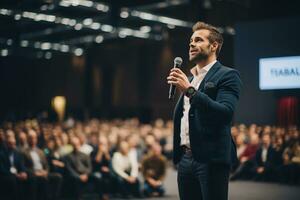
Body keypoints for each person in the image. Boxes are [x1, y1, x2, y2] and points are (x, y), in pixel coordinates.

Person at [167, 21, 242, 200]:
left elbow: (225, 113)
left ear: (214, 45)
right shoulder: (191, 79)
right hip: (185, 159)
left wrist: (189, 91)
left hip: (211, 159)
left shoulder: (227, 75)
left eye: (199, 40)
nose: (192, 44)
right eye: (191, 41)